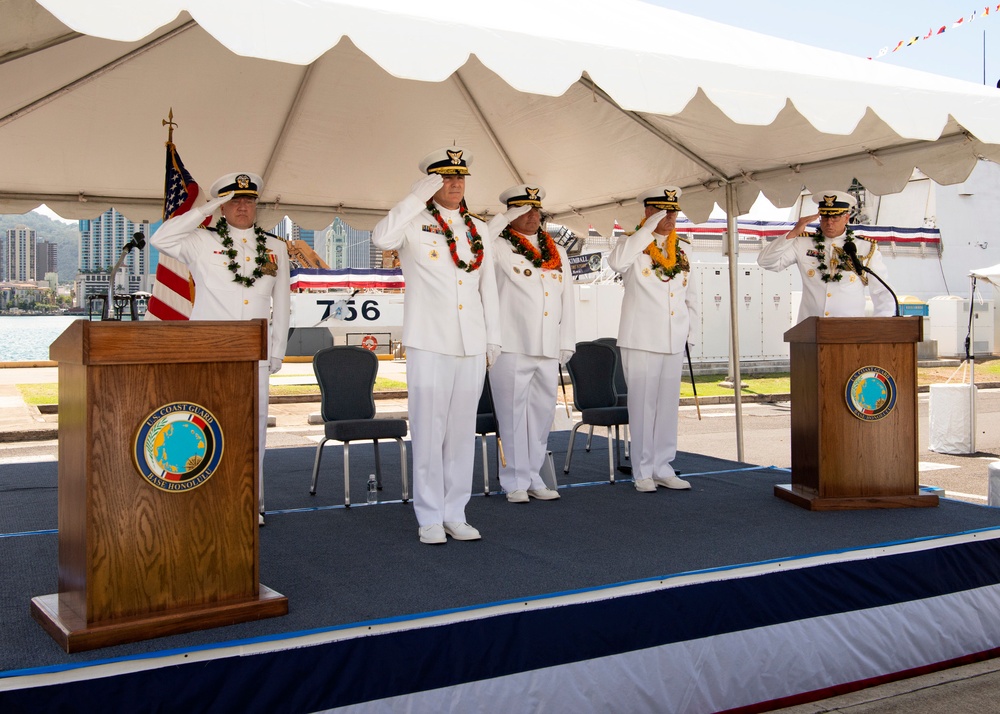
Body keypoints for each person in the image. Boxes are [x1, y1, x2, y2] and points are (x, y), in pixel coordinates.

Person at [371, 147, 500, 544]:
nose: (456, 183)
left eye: (460, 177)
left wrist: (492, 338)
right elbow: (381, 237)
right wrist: (414, 198)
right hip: (429, 341)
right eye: (446, 177)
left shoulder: (477, 229)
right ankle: (428, 515)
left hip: (471, 342)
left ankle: (455, 511)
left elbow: (488, 288)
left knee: (461, 433)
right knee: (429, 431)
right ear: (431, 182)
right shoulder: (414, 223)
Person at [150, 172, 290, 525]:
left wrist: (276, 351)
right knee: (208, 426)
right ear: (223, 206)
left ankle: (251, 501)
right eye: (234, 200)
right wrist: (206, 208)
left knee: (254, 429)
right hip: (210, 350)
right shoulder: (199, 239)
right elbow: (160, 237)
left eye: (248, 200)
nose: (243, 206)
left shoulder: (275, 247)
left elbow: (283, 303)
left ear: (256, 205)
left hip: (254, 352)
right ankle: (209, 495)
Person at [608, 185, 700, 493]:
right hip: (642, 339)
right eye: (662, 210)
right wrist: (646, 231)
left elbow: (692, 299)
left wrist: (691, 335)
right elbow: (616, 263)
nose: (670, 216)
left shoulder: (683, 249)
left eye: (673, 211)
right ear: (648, 212)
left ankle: (663, 465)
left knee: (667, 406)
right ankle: (643, 469)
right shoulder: (631, 245)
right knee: (643, 405)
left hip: (673, 339)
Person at [487, 184, 575, 504]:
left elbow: (569, 301)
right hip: (511, 344)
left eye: (536, 210)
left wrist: (567, 341)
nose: (533, 215)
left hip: (547, 346)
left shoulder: (557, 251)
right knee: (512, 416)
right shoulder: (496, 246)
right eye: (524, 210)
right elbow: (476, 242)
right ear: (511, 214)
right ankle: (513, 480)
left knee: (540, 416)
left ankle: (534, 475)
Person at [757, 190, 895, 323]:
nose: (829, 222)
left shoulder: (864, 247)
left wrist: (881, 324)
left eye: (835, 217)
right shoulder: (803, 243)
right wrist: (793, 233)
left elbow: (882, 291)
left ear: (846, 218)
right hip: (810, 330)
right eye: (825, 217)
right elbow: (766, 261)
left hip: (850, 330)